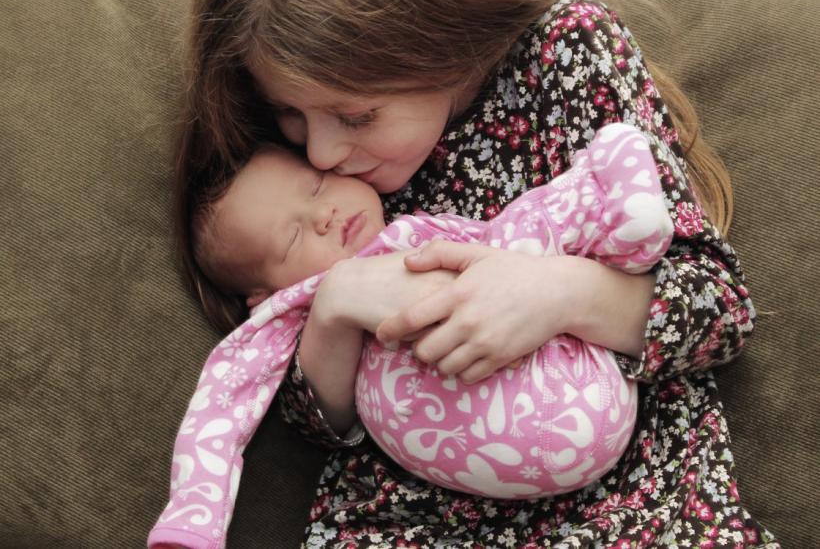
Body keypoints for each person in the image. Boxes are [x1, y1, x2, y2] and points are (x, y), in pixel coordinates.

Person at [164, 0, 778, 546]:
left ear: (438, 41)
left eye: (356, 115)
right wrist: (334, 307)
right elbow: (309, 416)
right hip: (413, 519)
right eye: (290, 116)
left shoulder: (566, 50)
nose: (321, 154)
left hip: (633, 502)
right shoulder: (312, 170)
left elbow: (717, 308)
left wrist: (559, 294)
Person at [148, 124, 674, 548]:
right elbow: (222, 403)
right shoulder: (293, 312)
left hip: (574, 377)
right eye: (293, 237)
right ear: (265, 296)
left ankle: (614, 201)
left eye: (315, 186)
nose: (324, 214)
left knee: (524, 233)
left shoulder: (422, 230)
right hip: (483, 484)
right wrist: (191, 522)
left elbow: (513, 252)